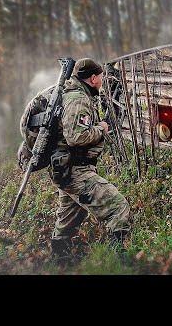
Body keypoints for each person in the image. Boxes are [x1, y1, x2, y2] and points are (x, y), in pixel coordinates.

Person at [49, 57, 130, 266]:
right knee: (118, 206)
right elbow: (76, 137)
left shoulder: (73, 95)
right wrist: (100, 129)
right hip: (76, 171)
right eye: (101, 76)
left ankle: (61, 261)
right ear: (93, 78)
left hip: (65, 171)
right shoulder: (78, 99)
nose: (102, 81)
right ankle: (117, 261)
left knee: (69, 218)